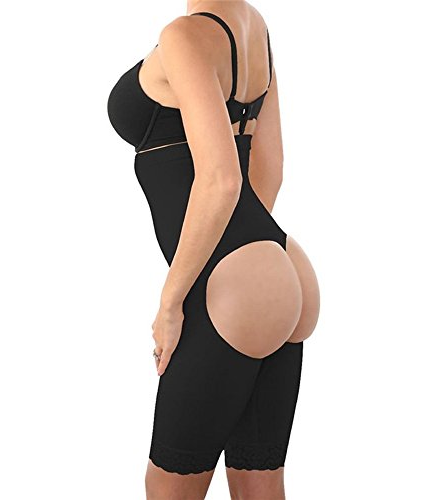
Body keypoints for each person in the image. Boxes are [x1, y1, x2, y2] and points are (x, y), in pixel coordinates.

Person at [107, 1, 320, 498]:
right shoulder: (255, 29)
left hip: (236, 281)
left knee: (168, 488)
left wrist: (171, 303)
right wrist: (258, 265)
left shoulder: (184, 35)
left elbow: (223, 180)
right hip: (280, 260)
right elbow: (268, 168)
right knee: (260, 484)